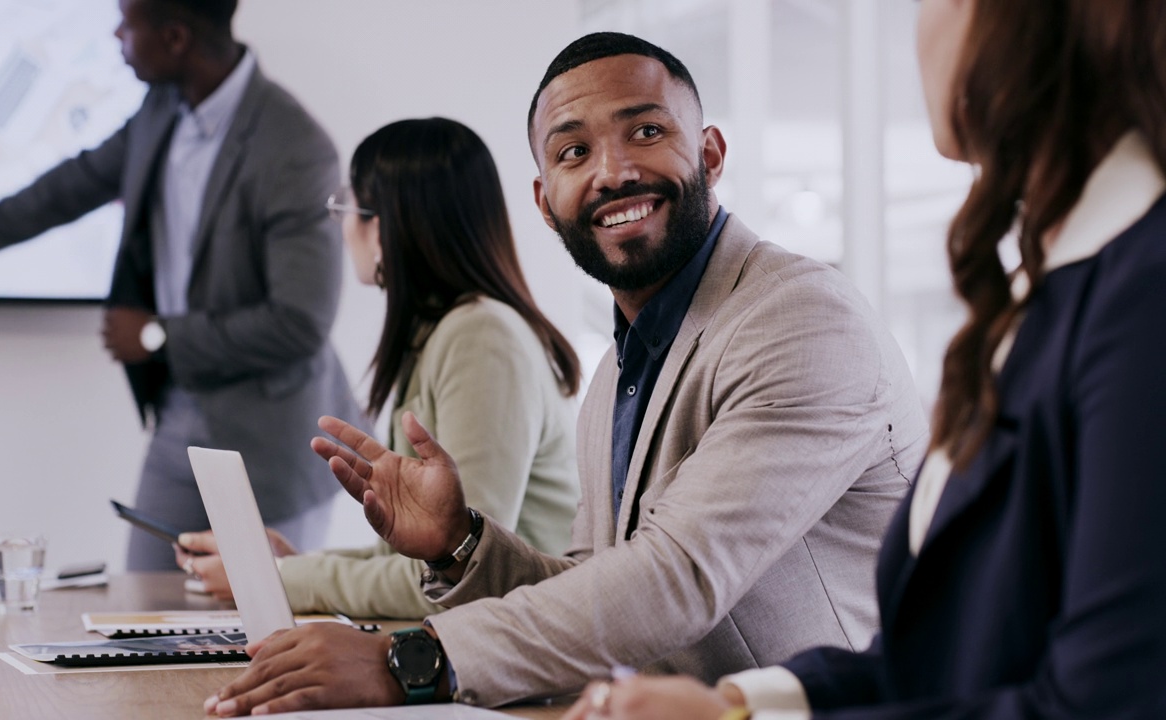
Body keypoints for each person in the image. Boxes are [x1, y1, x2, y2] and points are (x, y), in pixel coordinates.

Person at [199, 32, 929, 717]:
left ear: (709, 153)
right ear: (546, 202)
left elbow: (675, 579)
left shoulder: (799, 318)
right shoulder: (619, 370)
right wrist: (461, 543)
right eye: (574, 151)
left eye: (646, 131)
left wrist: (406, 661)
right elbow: (594, 592)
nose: (613, 172)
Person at [559, 0, 1166, 718]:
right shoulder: (1059, 287)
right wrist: (737, 706)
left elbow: (1106, 703)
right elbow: (941, 659)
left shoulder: (1142, 293)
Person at [0, 0, 361, 571]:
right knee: (146, 600)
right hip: (181, 415)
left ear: (176, 36)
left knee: (269, 629)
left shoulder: (293, 146)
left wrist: (160, 335)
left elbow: (300, 322)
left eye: (127, 23)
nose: (115, 34)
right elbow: (71, 185)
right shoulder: (162, 108)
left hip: (274, 436)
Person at [173, 117, 582, 619]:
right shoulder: (449, 333)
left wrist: (279, 580)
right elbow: (420, 555)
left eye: (348, 206)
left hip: (525, 656)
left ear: (386, 224)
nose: (341, 226)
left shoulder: (481, 338)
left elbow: (459, 570)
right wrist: (289, 565)